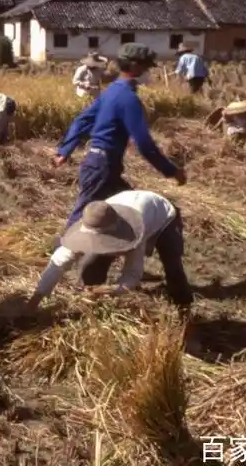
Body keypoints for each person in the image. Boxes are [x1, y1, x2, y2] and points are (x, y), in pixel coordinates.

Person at [53, 43, 186, 237]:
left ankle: (118, 253)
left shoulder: (111, 92)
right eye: (146, 67)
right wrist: (172, 171)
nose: (147, 72)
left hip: (105, 166)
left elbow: (82, 120)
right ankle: (59, 256)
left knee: (126, 212)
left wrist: (64, 151)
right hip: (101, 167)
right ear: (134, 67)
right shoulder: (128, 98)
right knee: (82, 217)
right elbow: (144, 144)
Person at [23, 191, 194, 317]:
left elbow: (132, 273)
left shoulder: (135, 230)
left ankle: (184, 312)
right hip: (129, 204)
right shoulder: (94, 218)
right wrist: (35, 300)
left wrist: (112, 290)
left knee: (173, 267)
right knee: (90, 265)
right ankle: (92, 306)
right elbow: (58, 263)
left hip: (163, 216)